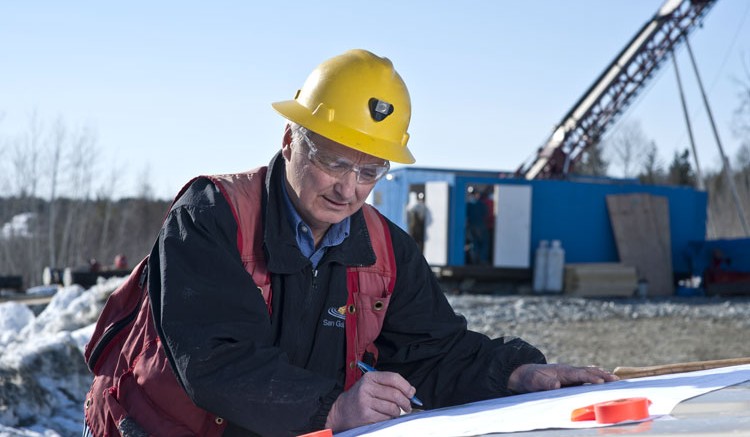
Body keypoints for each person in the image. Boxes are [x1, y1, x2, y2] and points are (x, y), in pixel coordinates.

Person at [90, 49, 616, 436]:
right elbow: (218, 363)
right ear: (291, 140)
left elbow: (435, 352)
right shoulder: (212, 216)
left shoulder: (386, 250)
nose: (349, 188)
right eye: (333, 162)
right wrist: (334, 409)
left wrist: (521, 373)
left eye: (370, 171)